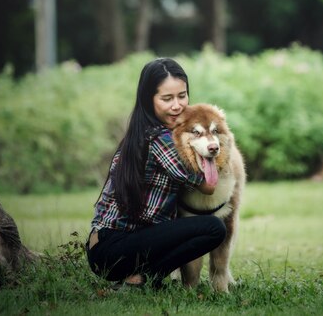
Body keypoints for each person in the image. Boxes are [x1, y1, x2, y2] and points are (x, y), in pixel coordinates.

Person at [86, 58, 226, 288]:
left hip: (102, 245)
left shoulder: (138, 132)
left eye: (182, 95)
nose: (177, 105)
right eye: (167, 98)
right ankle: (142, 278)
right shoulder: (159, 138)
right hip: (114, 248)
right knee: (213, 228)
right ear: (148, 99)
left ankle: (140, 278)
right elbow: (208, 186)